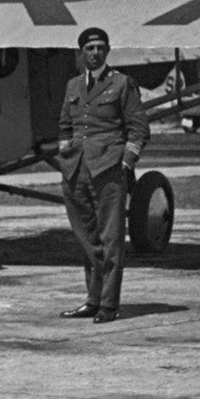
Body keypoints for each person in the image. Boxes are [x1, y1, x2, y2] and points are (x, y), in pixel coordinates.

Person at [56, 27, 150, 324]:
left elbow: (139, 128)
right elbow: (65, 125)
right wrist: (66, 151)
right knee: (86, 237)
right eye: (89, 48)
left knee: (111, 239)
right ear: (81, 53)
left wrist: (126, 163)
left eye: (100, 47)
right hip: (76, 170)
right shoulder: (73, 85)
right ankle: (92, 299)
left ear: (107, 50)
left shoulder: (122, 84)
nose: (95, 52)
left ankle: (108, 304)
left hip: (108, 169)